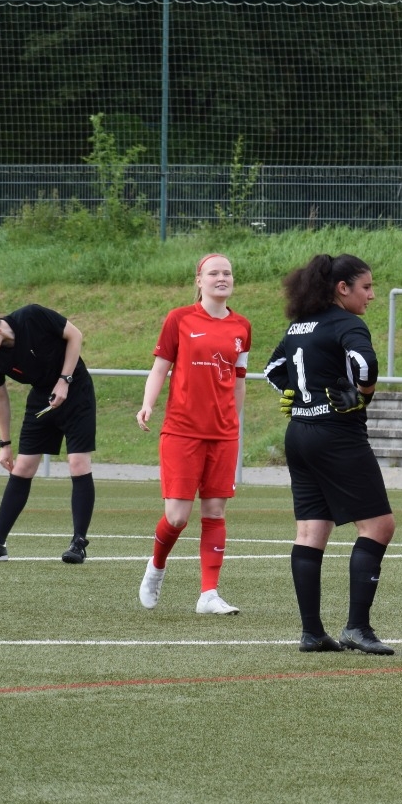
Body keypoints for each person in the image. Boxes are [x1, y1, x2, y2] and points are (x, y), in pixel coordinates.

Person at [262, 253, 396, 654]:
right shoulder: (347, 323)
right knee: (379, 526)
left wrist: (298, 395)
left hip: (299, 434)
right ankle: (357, 627)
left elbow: (272, 370)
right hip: (337, 435)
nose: (371, 295)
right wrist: (362, 394)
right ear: (342, 288)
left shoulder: (299, 325)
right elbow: (365, 364)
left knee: (310, 531)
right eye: (366, 287)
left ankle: (312, 632)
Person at [135, 253, 252, 615]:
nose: (222, 277)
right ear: (199, 281)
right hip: (182, 430)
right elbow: (160, 368)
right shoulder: (179, 319)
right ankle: (156, 567)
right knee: (177, 517)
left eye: (227, 272)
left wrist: (235, 422)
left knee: (215, 511)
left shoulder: (242, 326)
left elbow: (239, 380)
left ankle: (209, 594)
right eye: (214, 273)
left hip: (223, 434)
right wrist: (147, 404)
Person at [0, 304, 97, 563]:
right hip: (42, 397)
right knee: (22, 468)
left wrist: (64, 380)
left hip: (76, 391)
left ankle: (78, 543)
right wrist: (4, 444)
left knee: (78, 463)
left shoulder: (32, 317)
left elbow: (75, 335)